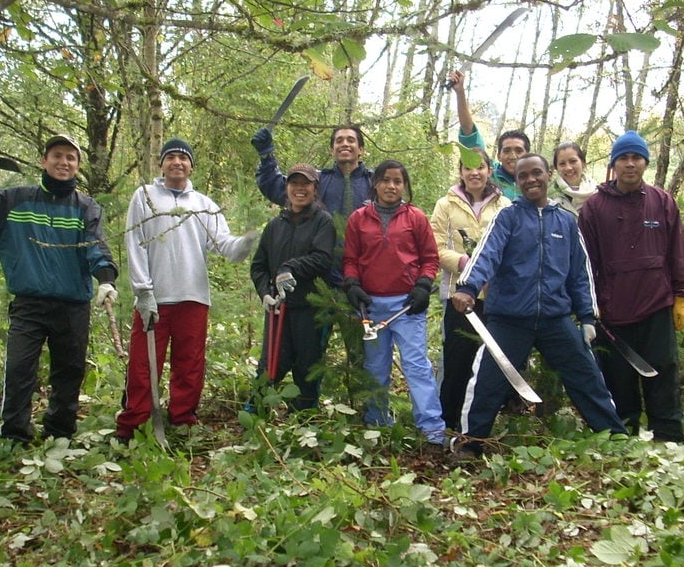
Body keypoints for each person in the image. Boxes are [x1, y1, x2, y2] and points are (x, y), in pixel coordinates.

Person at [0, 135, 118, 445]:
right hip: (29, 304)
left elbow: (95, 246)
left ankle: (60, 434)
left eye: (70, 157)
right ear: (44, 161)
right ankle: (14, 436)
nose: (63, 162)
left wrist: (106, 278)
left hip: (73, 306)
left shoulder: (86, 207)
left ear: (78, 166)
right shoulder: (13, 201)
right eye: (57, 155)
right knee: (19, 369)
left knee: (69, 373)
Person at [450, 153, 627, 458]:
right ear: (516, 182)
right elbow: (486, 254)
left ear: (548, 175)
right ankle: (470, 444)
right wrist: (468, 287)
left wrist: (586, 316)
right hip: (509, 319)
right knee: (488, 380)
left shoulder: (566, 222)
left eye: (536, 173)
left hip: (555, 320)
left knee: (587, 375)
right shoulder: (507, 217)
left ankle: (614, 439)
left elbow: (579, 272)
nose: (531, 180)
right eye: (523, 176)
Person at [115, 138, 258, 441]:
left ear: (192, 165)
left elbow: (224, 245)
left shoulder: (203, 204)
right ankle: (134, 423)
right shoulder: (144, 197)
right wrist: (143, 291)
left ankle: (182, 418)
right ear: (162, 164)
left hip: (193, 297)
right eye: (171, 157)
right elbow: (135, 244)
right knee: (142, 365)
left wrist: (246, 243)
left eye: (183, 158)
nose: (177, 162)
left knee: (190, 362)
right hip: (154, 298)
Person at [578, 130, 684, 443]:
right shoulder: (594, 209)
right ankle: (624, 436)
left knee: (662, 372)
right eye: (624, 158)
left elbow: (677, 253)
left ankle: (669, 437)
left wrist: (681, 296)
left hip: (656, 305)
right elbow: (585, 264)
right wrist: (589, 307)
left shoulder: (662, 202)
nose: (630, 164)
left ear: (645, 163)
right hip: (612, 311)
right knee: (618, 378)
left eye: (636, 158)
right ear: (614, 164)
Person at [342, 160, 446, 447]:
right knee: (375, 368)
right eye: (386, 180)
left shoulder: (416, 217)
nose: (391, 186)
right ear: (375, 183)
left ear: (404, 186)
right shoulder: (359, 219)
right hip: (371, 307)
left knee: (416, 366)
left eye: (398, 181)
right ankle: (377, 423)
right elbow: (350, 260)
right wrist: (352, 284)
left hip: (407, 306)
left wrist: (423, 285)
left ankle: (432, 429)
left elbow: (430, 258)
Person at [430, 146, 511, 429]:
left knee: (491, 362)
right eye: (468, 167)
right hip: (458, 295)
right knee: (457, 361)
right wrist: (466, 262)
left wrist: (492, 270)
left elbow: (513, 250)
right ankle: (448, 423)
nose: (474, 172)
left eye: (480, 166)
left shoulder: (505, 207)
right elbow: (434, 248)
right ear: (461, 172)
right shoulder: (446, 205)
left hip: (496, 296)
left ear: (490, 170)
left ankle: (481, 424)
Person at [249, 163, 336, 412]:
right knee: (270, 364)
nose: (300, 189)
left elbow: (322, 258)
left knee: (308, 366)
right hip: (278, 309)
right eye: (294, 183)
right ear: (286, 187)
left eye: (306, 184)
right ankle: (256, 412)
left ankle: (304, 419)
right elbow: (258, 266)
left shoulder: (323, 222)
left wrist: (291, 267)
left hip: (310, 308)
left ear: (315, 188)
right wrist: (265, 292)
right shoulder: (275, 225)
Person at [441, 71, 529, 201]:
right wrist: (460, 93)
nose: (513, 156)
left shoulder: (534, 180)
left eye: (519, 150)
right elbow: (469, 132)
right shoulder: (489, 174)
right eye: (507, 150)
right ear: (499, 155)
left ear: (528, 154)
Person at [551, 141, 598, 215]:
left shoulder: (598, 194)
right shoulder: (550, 196)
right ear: (556, 167)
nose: (568, 168)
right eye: (562, 164)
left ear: (583, 163)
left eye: (573, 161)